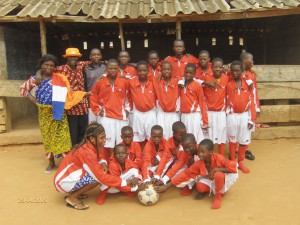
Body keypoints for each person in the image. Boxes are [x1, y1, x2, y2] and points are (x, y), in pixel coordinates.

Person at [20, 54, 88, 173]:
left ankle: (67, 163)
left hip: (59, 111)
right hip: (44, 113)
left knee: (63, 138)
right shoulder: (36, 79)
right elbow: (23, 89)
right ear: (42, 65)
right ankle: (51, 162)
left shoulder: (59, 77)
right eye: (46, 65)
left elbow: (69, 92)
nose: (49, 67)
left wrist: (85, 94)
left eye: (52, 65)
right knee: (48, 137)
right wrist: (35, 101)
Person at [54, 123, 137, 210]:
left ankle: (75, 191)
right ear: (92, 139)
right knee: (97, 178)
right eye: (102, 138)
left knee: (100, 171)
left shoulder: (91, 144)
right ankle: (73, 197)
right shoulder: (86, 152)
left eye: (104, 136)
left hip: (68, 176)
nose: (104, 140)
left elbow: (99, 156)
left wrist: (103, 162)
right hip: (62, 182)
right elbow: (101, 177)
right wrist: (125, 182)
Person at [155, 139, 238, 210]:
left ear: (210, 152)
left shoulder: (218, 157)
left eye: (203, 152)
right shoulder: (199, 163)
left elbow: (233, 169)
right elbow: (186, 174)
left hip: (225, 177)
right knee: (200, 187)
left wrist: (216, 169)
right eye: (199, 152)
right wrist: (167, 186)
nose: (200, 154)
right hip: (211, 179)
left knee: (218, 175)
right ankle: (217, 190)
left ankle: (218, 197)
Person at [90, 59, 130, 161]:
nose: (113, 70)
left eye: (115, 68)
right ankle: (108, 162)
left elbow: (130, 95)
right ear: (106, 69)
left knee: (121, 142)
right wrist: (98, 111)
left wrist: (128, 109)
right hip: (106, 117)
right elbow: (93, 96)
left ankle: (121, 162)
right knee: (107, 142)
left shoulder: (124, 81)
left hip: (121, 117)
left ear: (118, 69)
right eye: (110, 68)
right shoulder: (100, 82)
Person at [55, 48, 89, 146]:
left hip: (83, 105)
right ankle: (73, 153)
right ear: (67, 58)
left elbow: (92, 61)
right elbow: (46, 70)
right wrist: (39, 74)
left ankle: (82, 151)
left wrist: (104, 62)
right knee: (73, 132)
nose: (73, 59)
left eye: (75, 57)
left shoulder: (80, 65)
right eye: (71, 57)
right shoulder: (61, 69)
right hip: (72, 105)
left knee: (83, 131)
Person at [226, 60, 256, 173]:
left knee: (243, 140)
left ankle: (241, 162)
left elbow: (251, 102)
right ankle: (233, 162)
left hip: (244, 116)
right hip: (232, 116)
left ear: (242, 71)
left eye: (237, 70)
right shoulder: (228, 84)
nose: (234, 72)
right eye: (232, 70)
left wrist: (251, 119)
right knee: (233, 140)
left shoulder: (248, 84)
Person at [202, 58, 229, 155]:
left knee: (221, 135)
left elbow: (238, 74)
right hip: (209, 112)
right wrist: (205, 83)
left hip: (221, 113)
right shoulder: (205, 78)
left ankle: (220, 157)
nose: (217, 69)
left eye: (220, 67)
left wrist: (228, 69)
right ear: (211, 67)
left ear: (223, 68)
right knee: (209, 136)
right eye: (215, 67)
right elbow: (193, 79)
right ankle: (209, 157)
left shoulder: (226, 78)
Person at [128, 61, 157, 146]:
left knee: (151, 137)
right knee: (137, 137)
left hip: (150, 113)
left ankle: (150, 156)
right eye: (140, 71)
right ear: (137, 72)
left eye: (144, 70)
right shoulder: (132, 82)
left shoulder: (153, 82)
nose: (142, 73)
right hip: (138, 113)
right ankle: (139, 156)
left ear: (148, 71)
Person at [180, 63, 208, 144]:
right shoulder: (181, 85)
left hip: (194, 116)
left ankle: (196, 155)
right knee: (185, 137)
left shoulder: (197, 86)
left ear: (194, 74)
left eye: (191, 73)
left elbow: (202, 103)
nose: (188, 74)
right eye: (186, 72)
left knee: (194, 137)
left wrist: (205, 120)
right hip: (184, 115)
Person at [240, 52, 261, 161]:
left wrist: (257, 106)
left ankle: (245, 149)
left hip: (249, 105)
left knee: (248, 127)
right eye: (251, 60)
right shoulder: (234, 72)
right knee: (237, 127)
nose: (252, 62)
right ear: (244, 60)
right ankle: (235, 150)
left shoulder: (251, 75)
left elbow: (255, 92)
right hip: (238, 106)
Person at [153, 61, 180, 139]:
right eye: (164, 69)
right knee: (162, 136)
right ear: (161, 71)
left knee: (174, 136)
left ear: (172, 70)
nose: (166, 71)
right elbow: (152, 80)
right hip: (162, 114)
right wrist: (159, 76)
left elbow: (190, 79)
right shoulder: (158, 82)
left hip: (174, 114)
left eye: (168, 69)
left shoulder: (177, 81)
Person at [83, 48, 107, 123]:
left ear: (101, 56)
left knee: (103, 126)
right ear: (90, 57)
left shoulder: (106, 67)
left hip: (104, 102)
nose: (96, 56)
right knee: (92, 125)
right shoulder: (85, 69)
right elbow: (84, 85)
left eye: (98, 54)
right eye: (94, 55)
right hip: (91, 102)